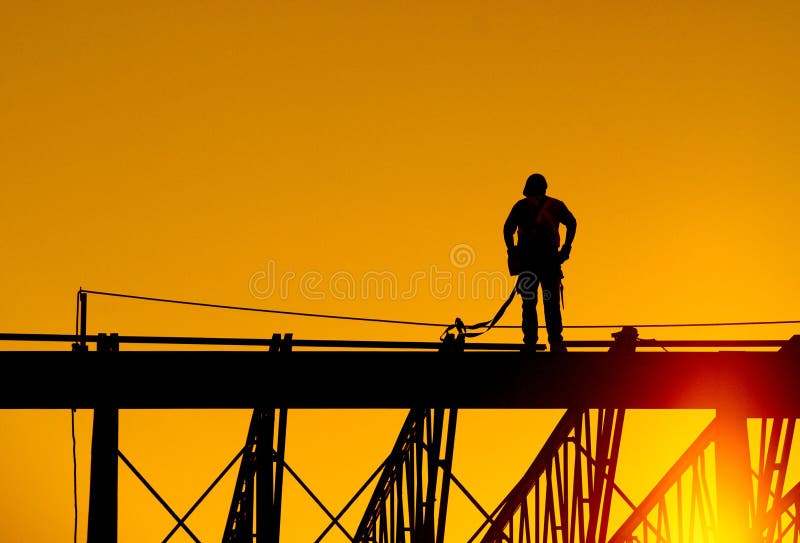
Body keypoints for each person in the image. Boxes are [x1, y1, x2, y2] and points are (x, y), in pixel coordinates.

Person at [503, 173, 577, 352]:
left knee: (529, 303)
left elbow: (507, 229)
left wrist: (513, 252)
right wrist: (566, 248)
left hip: (528, 263)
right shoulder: (556, 205)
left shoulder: (521, 206)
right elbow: (572, 223)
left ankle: (530, 342)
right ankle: (556, 342)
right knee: (550, 301)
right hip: (550, 262)